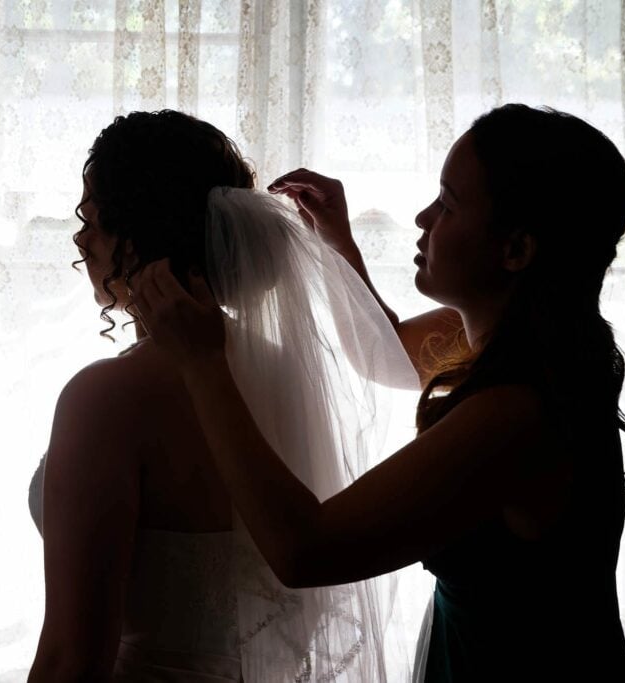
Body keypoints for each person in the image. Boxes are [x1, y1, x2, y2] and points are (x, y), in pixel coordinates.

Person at [132, 103, 625, 681]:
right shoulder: (526, 343)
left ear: (516, 250)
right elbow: (386, 352)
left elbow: (305, 550)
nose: (422, 217)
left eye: (448, 204)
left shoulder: (515, 414)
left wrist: (205, 364)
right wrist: (337, 244)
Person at [27, 109, 412, 681]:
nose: (81, 237)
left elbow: (72, 659)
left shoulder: (104, 398)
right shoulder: (283, 370)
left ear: (136, 234)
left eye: (93, 215)